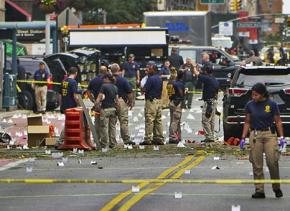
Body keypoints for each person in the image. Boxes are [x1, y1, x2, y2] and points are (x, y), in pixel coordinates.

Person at [240, 83, 284, 199]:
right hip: (255, 135)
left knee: (272, 161)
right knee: (256, 163)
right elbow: (247, 122)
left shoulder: (272, 104)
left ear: (263, 94)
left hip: (269, 134)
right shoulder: (250, 105)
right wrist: (243, 138)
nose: (253, 97)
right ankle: (259, 190)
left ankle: (276, 187)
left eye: (256, 95)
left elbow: (278, 121)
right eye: (252, 95)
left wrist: (282, 137)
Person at [192, 63, 219, 142]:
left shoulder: (207, 79)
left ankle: (209, 137)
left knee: (205, 120)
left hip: (209, 103)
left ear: (206, 71)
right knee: (212, 121)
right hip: (214, 101)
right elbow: (217, 93)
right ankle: (212, 135)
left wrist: (193, 66)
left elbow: (197, 74)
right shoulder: (214, 79)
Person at [140, 61, 164, 145]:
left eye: (149, 68)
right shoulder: (159, 78)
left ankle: (148, 138)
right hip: (158, 100)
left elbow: (144, 90)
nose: (147, 70)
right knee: (158, 120)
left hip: (151, 101)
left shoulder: (150, 79)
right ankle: (159, 138)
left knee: (149, 120)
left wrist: (141, 87)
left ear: (153, 69)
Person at [111, 63, 134, 145]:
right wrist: (131, 102)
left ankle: (112, 141)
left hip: (111, 102)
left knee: (112, 122)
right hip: (121, 101)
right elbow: (129, 92)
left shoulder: (108, 80)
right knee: (123, 121)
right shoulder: (123, 80)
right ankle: (126, 140)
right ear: (119, 70)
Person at [94, 73, 119, 149]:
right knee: (112, 127)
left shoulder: (104, 86)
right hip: (113, 109)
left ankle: (104, 144)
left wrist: (96, 106)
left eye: (104, 78)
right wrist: (117, 109)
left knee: (104, 127)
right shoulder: (115, 87)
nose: (103, 80)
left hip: (105, 109)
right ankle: (113, 144)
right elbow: (117, 100)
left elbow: (99, 98)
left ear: (107, 78)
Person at [58, 67, 81, 145]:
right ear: (76, 73)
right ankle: (61, 140)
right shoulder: (73, 82)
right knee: (69, 123)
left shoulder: (63, 81)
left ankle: (68, 139)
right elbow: (75, 95)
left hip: (64, 105)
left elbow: (59, 95)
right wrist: (78, 104)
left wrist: (61, 105)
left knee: (69, 123)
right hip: (71, 105)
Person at [87, 65, 108, 146]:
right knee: (106, 124)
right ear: (106, 71)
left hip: (97, 105)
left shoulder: (93, 80)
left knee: (97, 122)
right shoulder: (107, 80)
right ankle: (105, 141)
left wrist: (93, 100)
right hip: (107, 104)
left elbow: (88, 92)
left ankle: (97, 140)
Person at [167, 70, 185, 144]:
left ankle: (178, 136)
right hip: (177, 103)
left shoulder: (171, 84)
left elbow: (169, 94)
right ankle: (173, 137)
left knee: (174, 120)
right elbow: (181, 94)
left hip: (172, 102)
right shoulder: (180, 84)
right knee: (176, 121)